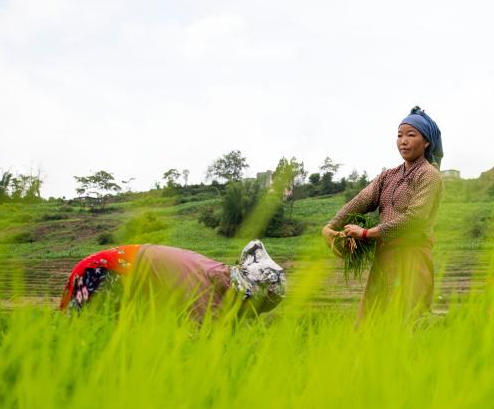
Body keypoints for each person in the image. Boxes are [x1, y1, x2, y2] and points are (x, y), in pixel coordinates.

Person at [321, 106, 444, 319]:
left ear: (426, 142)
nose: (403, 141)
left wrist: (366, 233)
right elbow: (361, 200)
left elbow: (415, 219)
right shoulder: (388, 176)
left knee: (406, 323)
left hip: (411, 259)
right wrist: (330, 227)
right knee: (371, 324)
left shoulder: (429, 175)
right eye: (399, 135)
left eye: (411, 135)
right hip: (383, 259)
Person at [59, 240, 285, 320]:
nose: (254, 314)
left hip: (117, 270)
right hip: (106, 272)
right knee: (82, 338)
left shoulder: (218, 274)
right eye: (258, 308)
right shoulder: (206, 297)